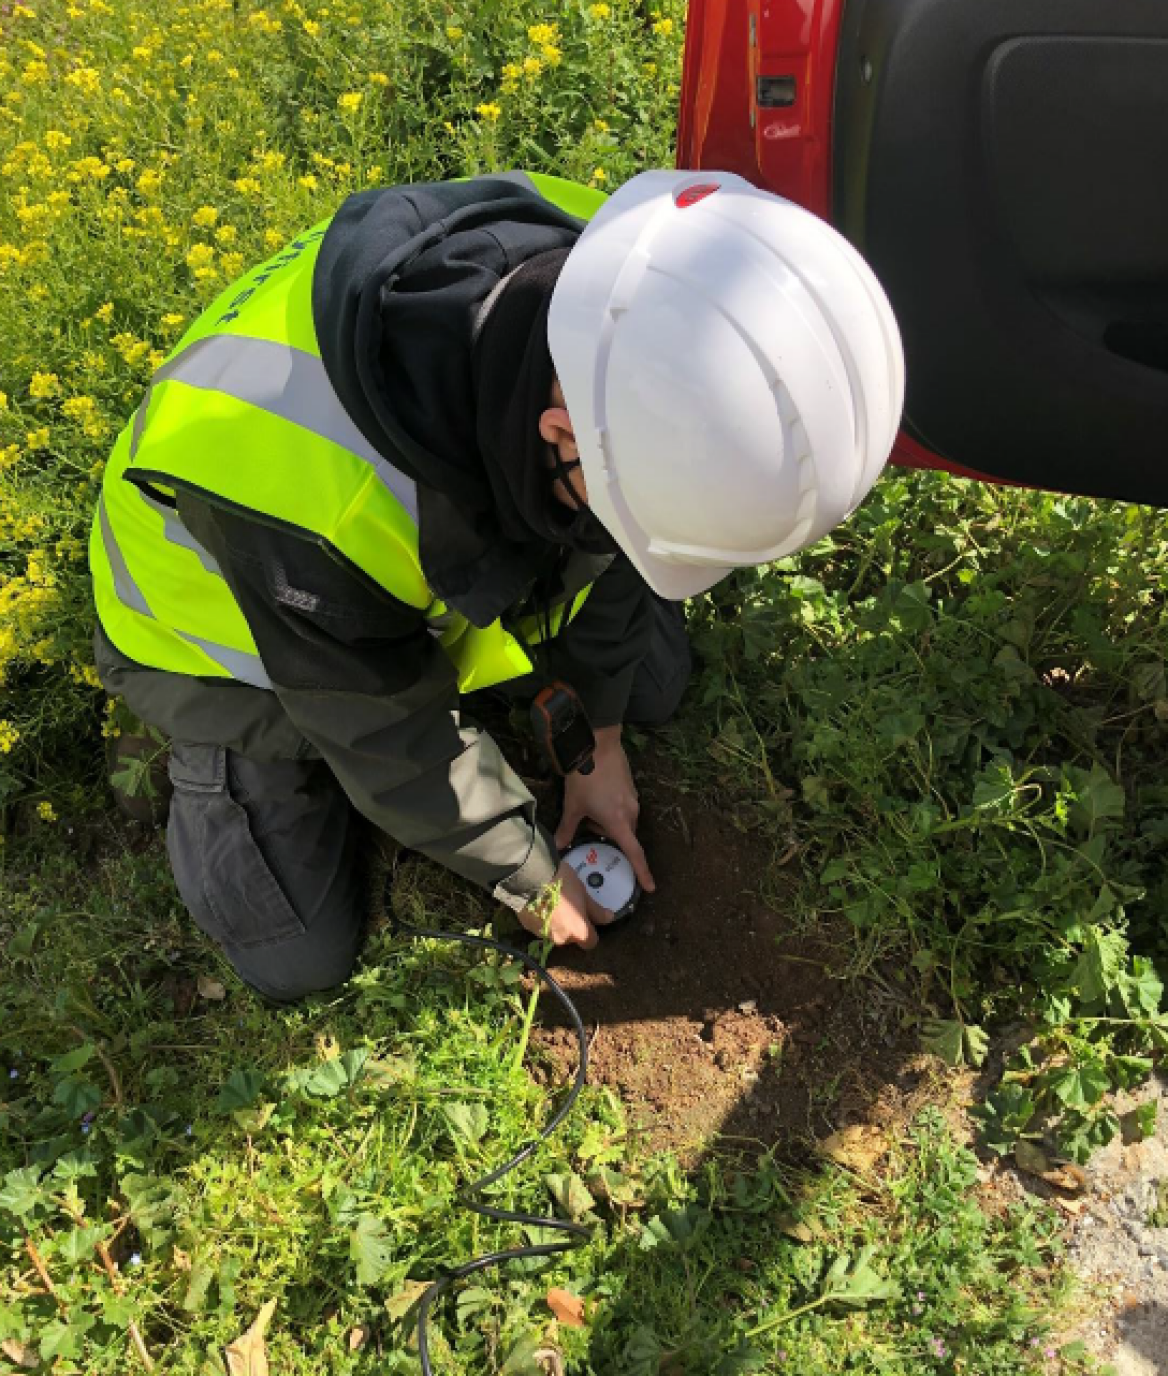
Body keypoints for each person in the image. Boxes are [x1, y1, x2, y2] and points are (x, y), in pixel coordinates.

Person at [89, 168, 904, 1003]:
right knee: (299, 956)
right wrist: (524, 871)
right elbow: (380, 726)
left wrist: (603, 739)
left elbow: (618, 550)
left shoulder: (626, 276)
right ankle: (209, 760)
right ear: (561, 434)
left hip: (407, 562)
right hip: (236, 644)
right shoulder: (312, 497)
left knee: (651, 683)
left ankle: (499, 622)